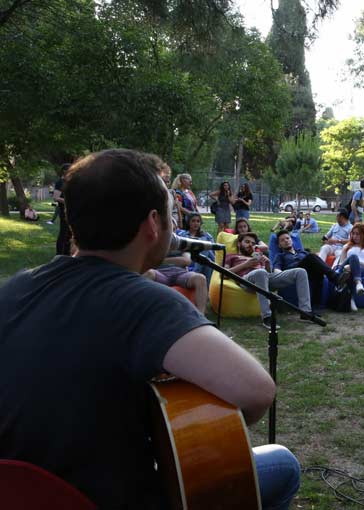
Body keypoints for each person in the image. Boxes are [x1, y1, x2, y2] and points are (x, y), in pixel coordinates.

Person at [0, 149, 300, 509]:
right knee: (282, 463)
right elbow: (256, 393)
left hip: (20, 493)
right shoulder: (145, 302)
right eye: (173, 214)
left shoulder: (15, 287)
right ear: (153, 224)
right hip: (110, 499)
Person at [224, 232, 313, 329]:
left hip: (265, 278)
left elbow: (267, 274)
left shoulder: (257, 256)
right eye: (247, 242)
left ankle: (305, 311)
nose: (250, 245)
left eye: (253, 243)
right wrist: (246, 265)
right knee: (260, 273)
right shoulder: (231, 256)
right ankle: (267, 317)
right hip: (246, 280)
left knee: (300, 271)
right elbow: (223, 273)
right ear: (239, 243)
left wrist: (267, 264)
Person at [274, 231, 338, 312]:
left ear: (291, 240)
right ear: (279, 245)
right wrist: (279, 276)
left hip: (307, 274)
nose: (286, 241)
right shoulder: (280, 256)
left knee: (317, 269)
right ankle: (336, 278)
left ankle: (316, 305)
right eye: (282, 240)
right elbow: (277, 269)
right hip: (293, 273)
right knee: (311, 256)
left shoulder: (303, 252)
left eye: (287, 238)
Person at [143, 248, 208, 312]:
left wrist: (161, 260)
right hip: (160, 273)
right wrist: (177, 260)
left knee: (200, 278)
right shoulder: (157, 244)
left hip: (180, 273)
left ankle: (201, 315)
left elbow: (187, 261)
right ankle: (143, 310)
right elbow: (150, 261)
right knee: (148, 273)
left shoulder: (181, 243)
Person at [333, 223, 364, 312]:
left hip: (363, 270)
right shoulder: (346, 247)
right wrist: (349, 265)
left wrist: (358, 263)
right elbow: (342, 263)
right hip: (346, 268)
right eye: (353, 233)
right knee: (352, 260)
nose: (355, 236)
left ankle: (351, 299)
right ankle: (358, 284)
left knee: (351, 267)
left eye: (358, 234)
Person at [177, 212, 215, 285]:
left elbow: (213, 254)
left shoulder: (207, 236)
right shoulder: (182, 235)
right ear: (188, 222)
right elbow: (179, 251)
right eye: (193, 221)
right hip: (189, 261)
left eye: (198, 221)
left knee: (206, 254)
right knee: (205, 252)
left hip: (205, 262)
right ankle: (207, 291)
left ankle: (196, 273)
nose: (196, 223)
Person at [53, 163, 72, 255]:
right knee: (63, 233)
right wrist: (69, 201)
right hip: (63, 210)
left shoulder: (69, 182)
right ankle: (59, 254)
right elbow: (56, 197)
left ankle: (67, 253)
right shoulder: (60, 182)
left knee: (69, 233)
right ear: (65, 171)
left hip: (70, 210)